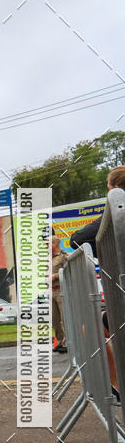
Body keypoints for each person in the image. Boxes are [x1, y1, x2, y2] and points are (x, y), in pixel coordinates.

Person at [70, 165, 125, 397]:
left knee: (91, 328)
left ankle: (120, 390)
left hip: (121, 301)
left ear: (112, 191)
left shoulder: (115, 213)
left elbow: (77, 240)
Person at [51, 236, 67, 353]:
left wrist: (55, 276)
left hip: (61, 289)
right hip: (51, 291)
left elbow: (67, 271)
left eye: (47, 244)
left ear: (55, 243)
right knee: (54, 319)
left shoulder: (63, 256)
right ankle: (60, 341)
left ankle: (67, 343)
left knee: (64, 318)